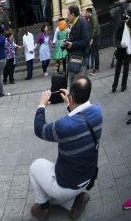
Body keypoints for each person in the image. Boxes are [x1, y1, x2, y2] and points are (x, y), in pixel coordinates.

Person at [29, 76, 100, 220]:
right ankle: (76, 200)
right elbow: (81, 115)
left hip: (67, 184)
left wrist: (41, 105)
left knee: (35, 166)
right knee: (54, 199)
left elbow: (39, 129)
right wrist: (71, 103)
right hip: (87, 178)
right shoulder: (98, 112)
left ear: (72, 97)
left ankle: (43, 209)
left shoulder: (65, 125)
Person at [110, 0, 131, 93]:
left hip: (119, 42)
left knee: (118, 65)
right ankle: (123, 85)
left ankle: (114, 86)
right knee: (126, 64)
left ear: (120, 1)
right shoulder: (130, 8)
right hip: (127, 40)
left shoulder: (116, 10)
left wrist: (117, 4)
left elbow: (110, 12)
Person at [64, 5, 90, 88]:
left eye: (68, 15)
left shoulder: (82, 22)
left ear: (72, 14)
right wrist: (68, 41)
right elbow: (75, 37)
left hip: (81, 60)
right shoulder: (74, 23)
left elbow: (86, 41)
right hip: (74, 59)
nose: (67, 17)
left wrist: (72, 44)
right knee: (73, 86)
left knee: (80, 87)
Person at [84, 7, 100, 75]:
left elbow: (94, 28)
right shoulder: (90, 18)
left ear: (88, 12)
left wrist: (92, 38)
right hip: (94, 37)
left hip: (95, 37)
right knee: (94, 53)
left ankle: (96, 69)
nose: (85, 14)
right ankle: (95, 69)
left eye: (86, 13)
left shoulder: (93, 17)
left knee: (96, 53)